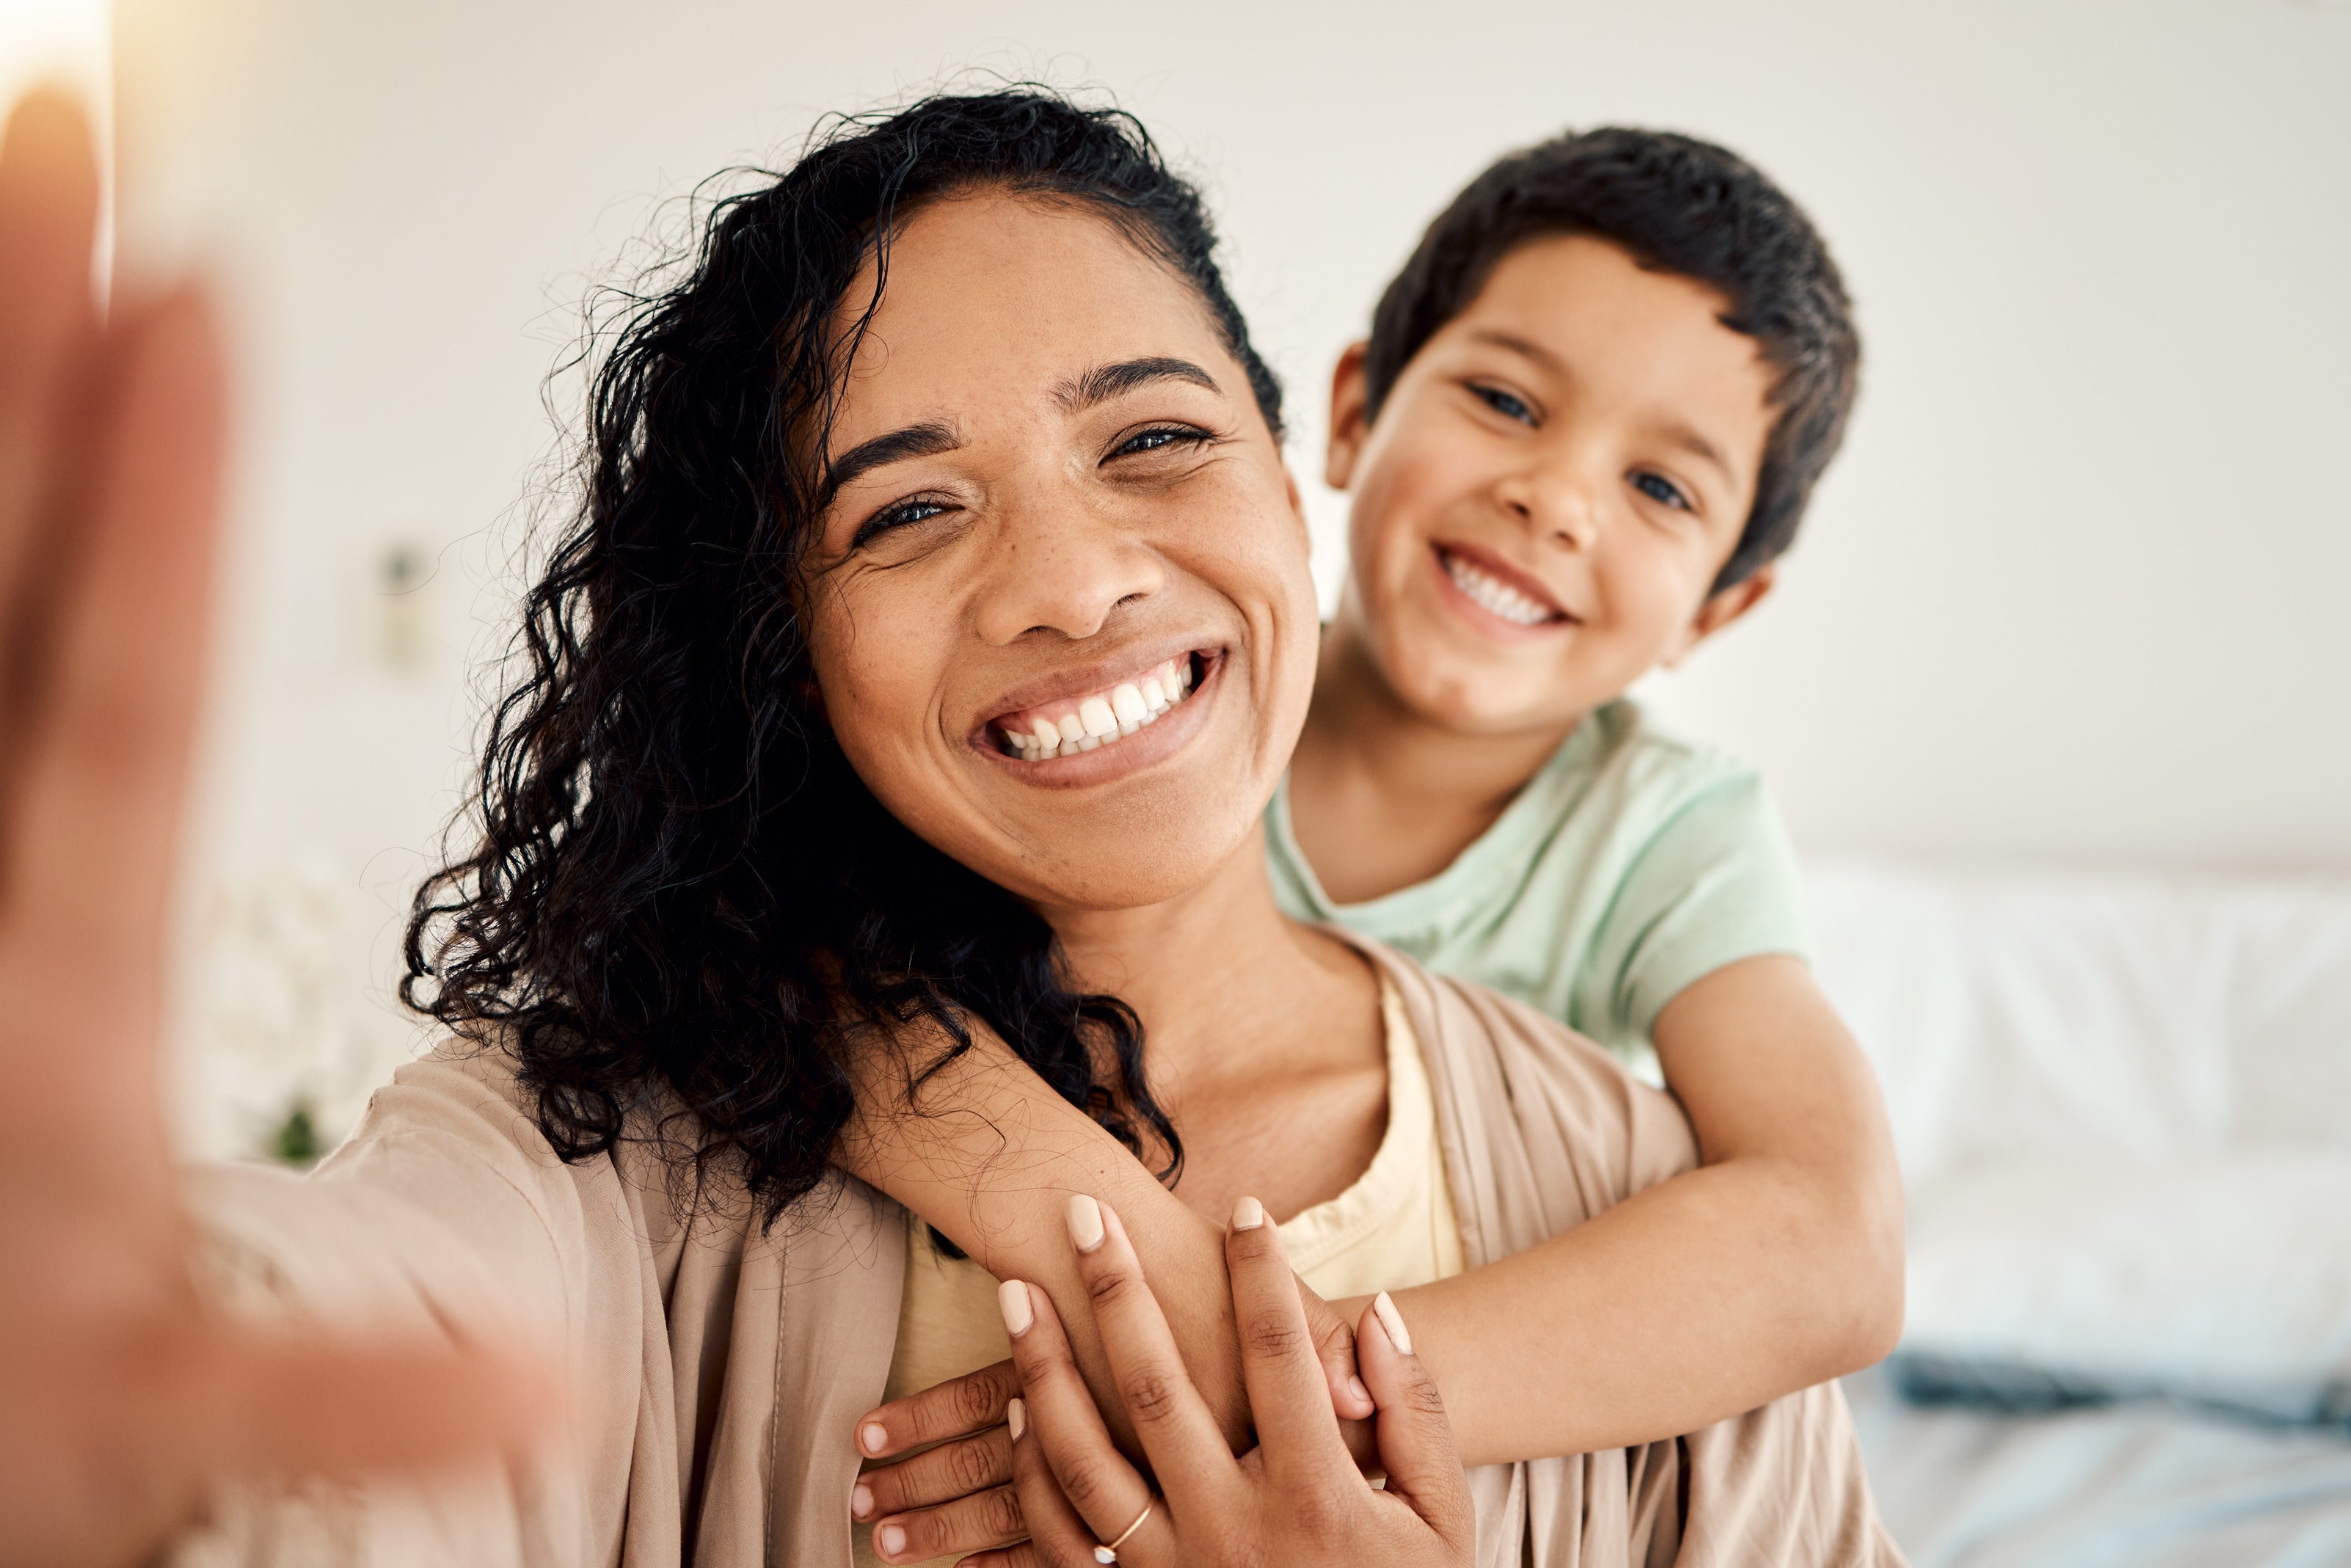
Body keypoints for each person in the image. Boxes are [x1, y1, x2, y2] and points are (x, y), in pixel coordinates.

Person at [0, 86, 1896, 1564]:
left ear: (1267, 466)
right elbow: (340, 1319)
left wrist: (1298, 1410)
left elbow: (1829, 1242)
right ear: (777, 640)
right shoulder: (611, 1155)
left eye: (1150, 438)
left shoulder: (1646, 1217)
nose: (1073, 583)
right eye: (904, 510)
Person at [847, 127, 1900, 1566]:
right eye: (1506, 398)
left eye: (1663, 488)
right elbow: (824, 991)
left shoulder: (1669, 830)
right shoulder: (1161, 710)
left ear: (1721, 603)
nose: (1559, 495)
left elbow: (1831, 1241)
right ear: (1350, 414)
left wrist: (1291, 1386)